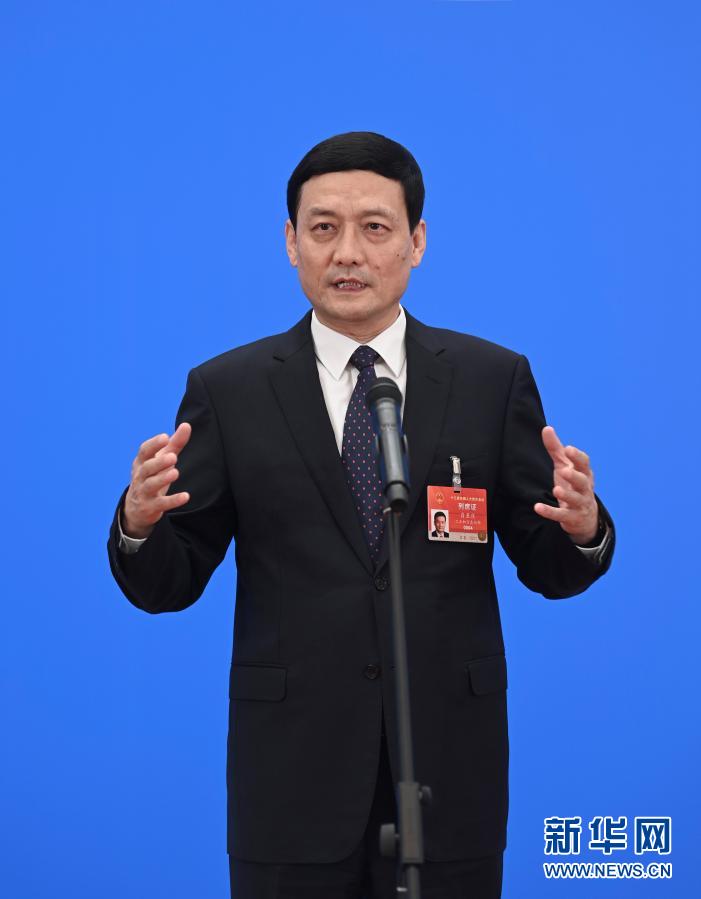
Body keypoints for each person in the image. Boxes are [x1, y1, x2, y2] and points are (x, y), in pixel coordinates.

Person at [107, 131, 614, 898]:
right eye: (323, 228)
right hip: (290, 780)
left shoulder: (489, 379)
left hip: (450, 769)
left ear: (416, 241)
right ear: (290, 242)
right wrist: (140, 525)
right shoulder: (229, 390)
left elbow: (547, 565)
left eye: (374, 227)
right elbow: (168, 582)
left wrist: (581, 529)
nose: (347, 252)